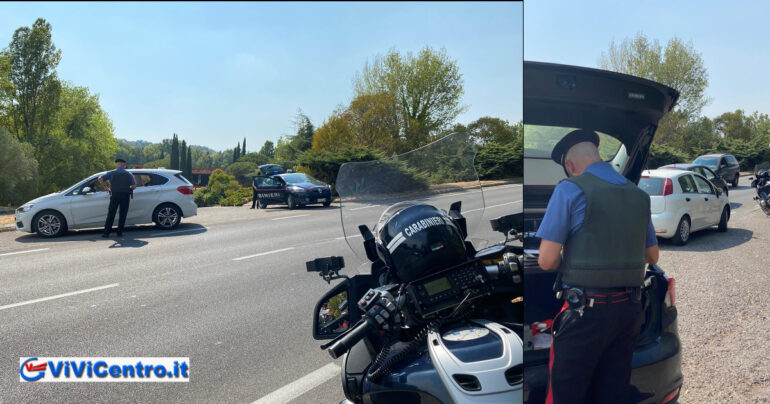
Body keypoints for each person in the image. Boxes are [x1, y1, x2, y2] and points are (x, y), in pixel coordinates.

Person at [536, 129, 659, 404]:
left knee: (565, 396)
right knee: (612, 393)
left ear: (569, 165)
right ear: (597, 155)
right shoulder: (639, 196)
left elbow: (546, 260)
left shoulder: (569, 188)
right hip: (629, 311)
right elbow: (652, 256)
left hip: (585, 314)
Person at [99, 158, 137, 237]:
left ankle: (106, 233)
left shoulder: (111, 173)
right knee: (123, 214)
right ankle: (119, 232)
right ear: (123, 165)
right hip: (125, 195)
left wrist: (106, 188)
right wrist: (128, 188)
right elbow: (134, 186)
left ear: (117, 164)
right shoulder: (129, 174)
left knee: (111, 214)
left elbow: (100, 178)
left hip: (114, 195)